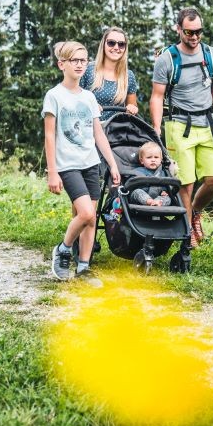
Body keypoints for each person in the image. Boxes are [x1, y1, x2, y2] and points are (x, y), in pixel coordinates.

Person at [150, 6, 213, 248]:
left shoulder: (210, 55)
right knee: (185, 182)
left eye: (198, 32)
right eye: (189, 32)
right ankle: (187, 233)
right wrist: (156, 128)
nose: (194, 37)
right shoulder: (167, 59)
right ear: (178, 29)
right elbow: (157, 96)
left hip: (207, 123)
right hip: (179, 125)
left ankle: (194, 213)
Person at [44, 41, 121, 281]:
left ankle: (84, 267)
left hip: (91, 164)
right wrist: (52, 172)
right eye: (74, 60)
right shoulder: (54, 96)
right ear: (61, 64)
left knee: (92, 217)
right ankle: (64, 249)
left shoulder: (88, 97)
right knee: (86, 213)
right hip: (67, 165)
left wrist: (113, 163)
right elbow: (49, 136)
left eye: (83, 60)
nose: (80, 65)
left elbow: (98, 133)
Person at [81, 26, 139, 121]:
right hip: (88, 128)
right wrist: (90, 105)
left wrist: (132, 108)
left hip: (115, 131)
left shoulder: (128, 76)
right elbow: (74, 99)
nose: (116, 47)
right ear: (103, 45)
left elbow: (132, 106)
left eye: (121, 44)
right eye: (111, 43)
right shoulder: (87, 70)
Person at [129, 141, 173, 207]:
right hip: (142, 196)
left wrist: (164, 191)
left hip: (157, 197)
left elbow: (166, 187)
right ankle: (150, 202)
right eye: (149, 157)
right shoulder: (137, 171)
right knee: (137, 192)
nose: (153, 160)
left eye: (156, 157)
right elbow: (130, 184)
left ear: (161, 159)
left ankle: (157, 203)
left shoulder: (163, 173)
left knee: (168, 198)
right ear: (141, 160)